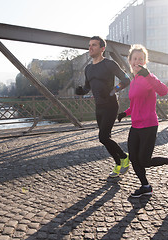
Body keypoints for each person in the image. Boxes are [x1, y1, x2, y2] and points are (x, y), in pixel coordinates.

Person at [117, 44, 168, 198]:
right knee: (133, 158)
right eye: (135, 58)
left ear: (145, 62)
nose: (137, 61)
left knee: (144, 160)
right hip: (136, 126)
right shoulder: (133, 81)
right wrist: (124, 113)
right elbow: (134, 106)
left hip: (149, 125)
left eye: (141, 59)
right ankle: (145, 186)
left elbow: (164, 91)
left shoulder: (148, 78)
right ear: (130, 61)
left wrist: (148, 75)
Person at [75, 36, 131, 178]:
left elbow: (126, 80)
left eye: (94, 45)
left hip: (111, 105)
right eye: (89, 45)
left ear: (102, 49)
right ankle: (118, 163)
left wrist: (113, 90)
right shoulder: (88, 68)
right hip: (98, 107)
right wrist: (81, 91)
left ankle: (124, 158)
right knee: (106, 139)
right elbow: (88, 87)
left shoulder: (109, 64)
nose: (90, 48)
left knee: (103, 137)